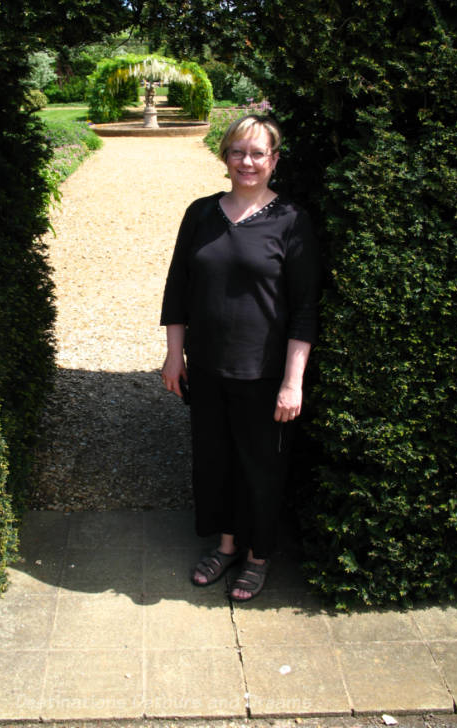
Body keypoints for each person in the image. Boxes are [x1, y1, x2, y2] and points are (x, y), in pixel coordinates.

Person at [160, 114, 320, 602]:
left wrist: (292, 382)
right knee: (215, 461)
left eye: (258, 154)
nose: (247, 162)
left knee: (260, 468)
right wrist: (173, 355)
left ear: (273, 161)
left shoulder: (291, 220)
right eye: (238, 152)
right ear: (224, 156)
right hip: (206, 368)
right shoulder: (201, 214)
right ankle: (227, 544)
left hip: (263, 374)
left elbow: (305, 309)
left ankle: (257, 556)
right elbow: (178, 289)